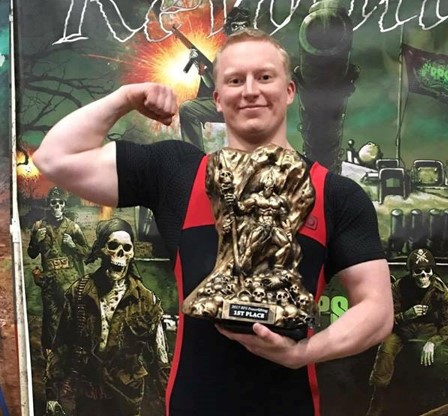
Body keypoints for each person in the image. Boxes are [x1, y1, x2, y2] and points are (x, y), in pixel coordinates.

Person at [33, 28, 393, 416]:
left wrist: (304, 352)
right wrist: (126, 98)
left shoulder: (335, 194)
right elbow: (55, 158)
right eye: (235, 80)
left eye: (264, 77)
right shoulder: (176, 173)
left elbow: (377, 311)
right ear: (218, 99)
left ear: (289, 90)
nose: (250, 90)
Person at [45, 218, 170, 416]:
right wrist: (52, 394)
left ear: (132, 254)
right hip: (88, 395)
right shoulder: (79, 293)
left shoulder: (147, 301)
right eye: (113, 246)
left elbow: (160, 359)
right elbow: (61, 345)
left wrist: (170, 401)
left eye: (126, 248)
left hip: (126, 398)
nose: (120, 254)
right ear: (101, 249)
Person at [366, 248, 448, 416]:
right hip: (403, 329)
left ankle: (439, 399)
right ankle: (377, 400)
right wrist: (407, 315)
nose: (424, 275)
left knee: (443, 356)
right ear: (411, 273)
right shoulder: (399, 287)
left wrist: (433, 341)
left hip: (429, 330)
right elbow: (386, 318)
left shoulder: (440, 290)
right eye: (418, 271)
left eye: (427, 270)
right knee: (386, 349)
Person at [178, 7, 251, 150]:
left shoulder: (259, 51)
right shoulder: (222, 55)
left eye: (243, 26)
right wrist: (202, 70)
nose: (240, 30)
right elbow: (212, 85)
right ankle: (193, 156)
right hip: (226, 104)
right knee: (187, 109)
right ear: (229, 29)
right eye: (235, 26)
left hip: (250, 105)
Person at [27, 187, 89, 351]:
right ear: (49, 204)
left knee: (73, 317)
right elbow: (31, 254)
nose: (57, 206)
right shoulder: (39, 226)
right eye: (53, 202)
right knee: (51, 318)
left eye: (60, 203)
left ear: (64, 205)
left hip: (70, 282)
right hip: (50, 282)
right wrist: (36, 241)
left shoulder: (73, 228)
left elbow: (87, 253)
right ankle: (51, 353)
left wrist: (73, 245)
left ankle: (72, 352)